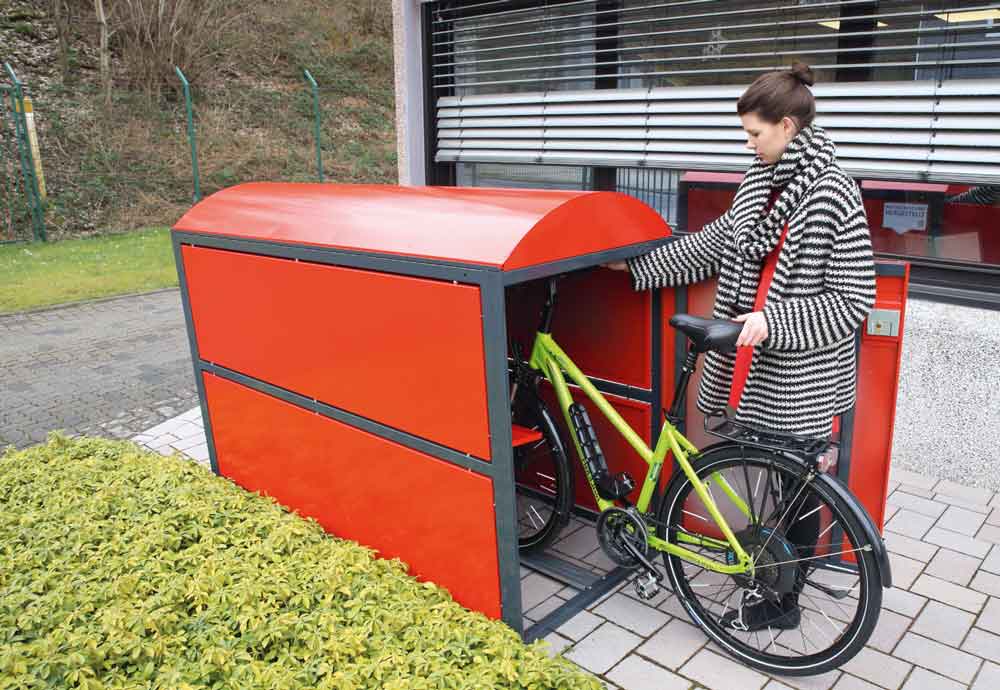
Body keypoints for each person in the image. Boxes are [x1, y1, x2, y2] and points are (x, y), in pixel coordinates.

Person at [606, 62, 877, 631]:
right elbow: (713, 244)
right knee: (767, 477)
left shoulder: (835, 189)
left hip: (797, 371)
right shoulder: (758, 179)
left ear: (787, 125)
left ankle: (785, 603)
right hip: (742, 361)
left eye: (755, 133)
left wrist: (773, 319)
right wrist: (631, 267)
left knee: (797, 486)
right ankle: (773, 583)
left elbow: (854, 299)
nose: (749, 144)